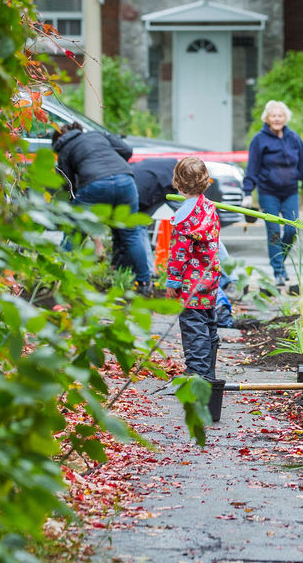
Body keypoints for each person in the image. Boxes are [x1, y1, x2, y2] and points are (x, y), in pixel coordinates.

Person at [52, 121, 153, 295]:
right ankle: (145, 283)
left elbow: (67, 185)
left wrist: (76, 210)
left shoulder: (65, 149)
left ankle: (59, 279)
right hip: (126, 180)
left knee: (73, 233)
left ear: (59, 139)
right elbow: (127, 151)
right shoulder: (96, 135)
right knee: (131, 233)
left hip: (95, 184)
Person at [242, 101, 303, 287]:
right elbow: (252, 167)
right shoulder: (259, 139)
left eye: (280, 115)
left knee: (292, 230)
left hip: (291, 191)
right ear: (267, 118)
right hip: (268, 192)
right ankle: (278, 272)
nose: (277, 119)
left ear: (285, 118)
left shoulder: (293, 138)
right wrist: (247, 193)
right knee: (274, 232)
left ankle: (280, 264)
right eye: (273, 116)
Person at [166, 157, 222, 380]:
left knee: (193, 328)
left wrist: (173, 282)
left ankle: (197, 374)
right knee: (208, 324)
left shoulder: (182, 218)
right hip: (210, 279)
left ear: (177, 184)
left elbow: (179, 254)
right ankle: (208, 372)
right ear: (206, 182)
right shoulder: (210, 209)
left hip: (190, 284)